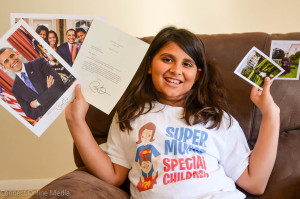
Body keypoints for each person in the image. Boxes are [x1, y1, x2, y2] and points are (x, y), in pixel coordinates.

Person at [65, 27, 280, 199]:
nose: (176, 70)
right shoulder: (130, 115)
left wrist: (271, 114)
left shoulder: (216, 119)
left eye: (187, 64)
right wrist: (77, 122)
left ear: (197, 76)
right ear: (150, 65)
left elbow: (255, 183)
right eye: (167, 59)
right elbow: (113, 175)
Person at [0, 47, 66, 120]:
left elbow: (58, 85)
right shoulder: (15, 90)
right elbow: (31, 114)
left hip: (65, 102)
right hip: (51, 118)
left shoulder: (39, 63)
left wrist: (37, 103)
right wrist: (49, 91)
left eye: (12, 56)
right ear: (4, 67)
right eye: (6, 61)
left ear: (17, 53)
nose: (12, 61)